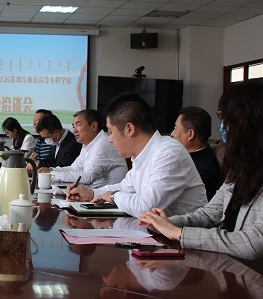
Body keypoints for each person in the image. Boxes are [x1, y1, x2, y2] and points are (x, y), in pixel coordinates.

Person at [139, 78, 263, 299]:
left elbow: (253, 243)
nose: (224, 126)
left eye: (228, 118)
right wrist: (164, 223)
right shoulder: (243, 169)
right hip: (236, 282)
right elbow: (209, 215)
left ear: (252, 123)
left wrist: (178, 233)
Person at [67, 92, 206, 218]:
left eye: (111, 132)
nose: (110, 139)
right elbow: (124, 187)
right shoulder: (144, 154)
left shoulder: (168, 154)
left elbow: (146, 207)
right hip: (156, 231)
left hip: (184, 235)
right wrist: (91, 193)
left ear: (129, 129)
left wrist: (113, 196)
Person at [40, 109, 127, 189]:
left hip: (108, 198)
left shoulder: (103, 144)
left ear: (94, 126)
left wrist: (51, 175)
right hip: (94, 195)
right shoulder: (87, 145)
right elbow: (74, 168)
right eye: (73, 126)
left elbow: (88, 177)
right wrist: (51, 170)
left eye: (78, 125)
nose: (74, 130)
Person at [170, 106, 221, 200]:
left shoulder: (203, 170)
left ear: (190, 134)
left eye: (175, 128)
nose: (172, 134)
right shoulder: (191, 156)